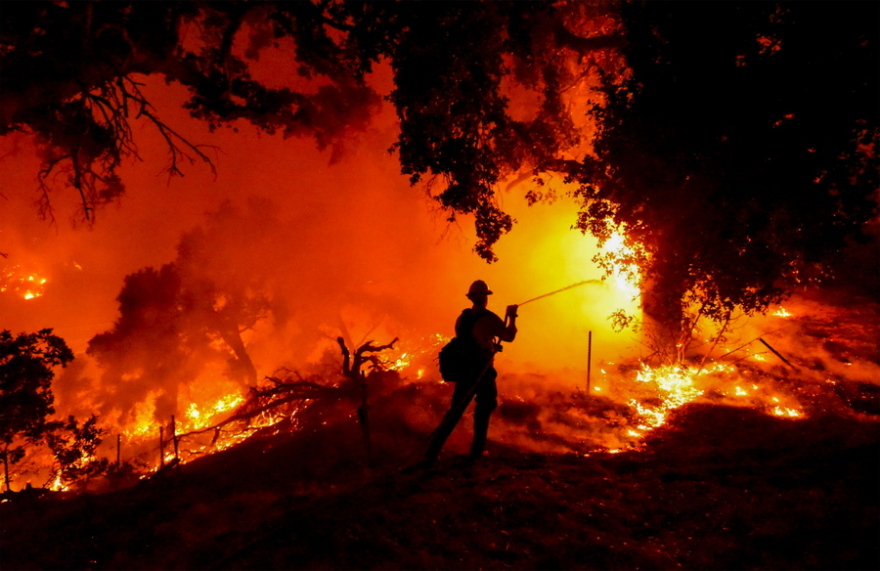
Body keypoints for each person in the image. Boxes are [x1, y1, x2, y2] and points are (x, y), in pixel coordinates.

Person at [425, 280, 518, 464]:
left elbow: (470, 340)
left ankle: (432, 451)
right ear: (485, 298)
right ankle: (476, 451)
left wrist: (490, 345)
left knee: (455, 410)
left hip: (464, 369)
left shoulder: (462, 319)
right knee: (485, 407)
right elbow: (509, 336)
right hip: (481, 371)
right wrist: (512, 317)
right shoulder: (488, 318)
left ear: (471, 298)